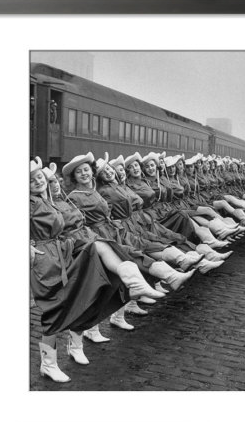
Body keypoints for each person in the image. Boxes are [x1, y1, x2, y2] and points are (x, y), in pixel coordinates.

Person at [31, 157, 132, 382]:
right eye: (34, 179)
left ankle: (74, 346)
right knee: (54, 309)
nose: (42, 182)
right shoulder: (30, 202)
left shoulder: (46, 200)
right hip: (46, 260)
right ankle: (49, 364)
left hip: (61, 253)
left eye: (43, 178)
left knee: (79, 297)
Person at [62, 152, 196, 297]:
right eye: (78, 172)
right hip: (101, 235)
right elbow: (78, 224)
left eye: (86, 169)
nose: (83, 174)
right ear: (74, 177)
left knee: (143, 247)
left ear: (92, 171)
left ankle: (174, 272)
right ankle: (170, 276)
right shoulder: (74, 197)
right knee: (130, 257)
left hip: (114, 228)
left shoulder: (93, 190)